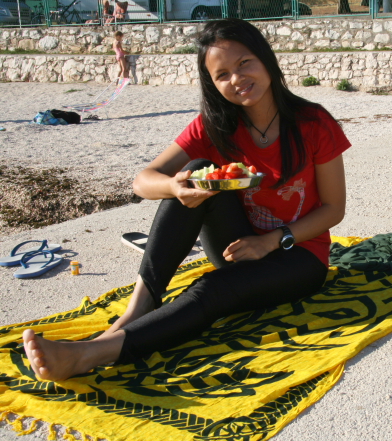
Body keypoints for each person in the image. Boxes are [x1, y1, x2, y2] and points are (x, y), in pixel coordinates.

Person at [22, 18, 350, 382]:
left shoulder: (313, 123)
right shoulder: (216, 125)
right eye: (222, 74)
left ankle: (89, 354)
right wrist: (177, 188)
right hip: (237, 246)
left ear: (266, 59)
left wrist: (271, 240)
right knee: (195, 169)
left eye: (245, 63)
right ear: (212, 83)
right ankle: (142, 303)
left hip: (298, 255)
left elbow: (334, 209)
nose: (237, 79)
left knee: (210, 289)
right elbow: (143, 181)